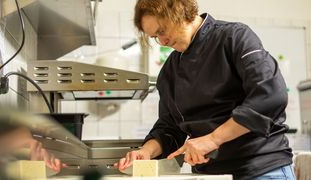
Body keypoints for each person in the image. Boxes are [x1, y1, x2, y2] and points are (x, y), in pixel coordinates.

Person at [114, 0, 295, 179]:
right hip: (210, 174)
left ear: (179, 11)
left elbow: (270, 96)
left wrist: (212, 140)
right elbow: (169, 127)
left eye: (162, 31)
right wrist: (146, 151)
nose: (162, 41)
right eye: (155, 37)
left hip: (260, 167)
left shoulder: (234, 37)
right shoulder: (170, 71)